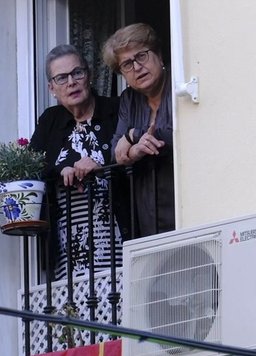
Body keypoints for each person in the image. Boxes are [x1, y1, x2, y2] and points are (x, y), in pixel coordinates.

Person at [28, 44, 123, 280]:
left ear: (88, 75)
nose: (71, 82)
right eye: (61, 78)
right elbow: (30, 167)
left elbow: (132, 162)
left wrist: (101, 168)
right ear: (52, 88)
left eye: (77, 73)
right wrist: (60, 170)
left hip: (116, 239)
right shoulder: (50, 121)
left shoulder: (116, 110)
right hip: (68, 248)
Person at [108, 23, 175, 238]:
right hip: (148, 216)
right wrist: (133, 150)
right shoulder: (129, 99)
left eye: (141, 56)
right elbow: (115, 153)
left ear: (159, 55)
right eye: (127, 64)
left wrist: (134, 135)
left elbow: (179, 135)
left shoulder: (179, 84)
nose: (136, 67)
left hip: (185, 206)